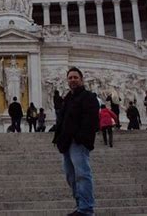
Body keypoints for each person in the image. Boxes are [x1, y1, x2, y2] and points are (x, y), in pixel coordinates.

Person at [52, 67, 99, 216]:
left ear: (81, 79)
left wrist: (80, 137)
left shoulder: (89, 97)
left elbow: (91, 120)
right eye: (70, 78)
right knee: (70, 176)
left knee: (82, 174)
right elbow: (62, 120)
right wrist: (58, 138)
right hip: (65, 142)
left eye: (75, 77)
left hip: (78, 141)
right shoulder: (67, 98)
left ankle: (86, 209)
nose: (72, 80)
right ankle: (80, 206)